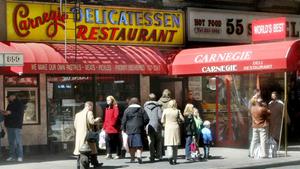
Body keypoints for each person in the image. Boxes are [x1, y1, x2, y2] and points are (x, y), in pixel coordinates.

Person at [73, 101, 102, 168]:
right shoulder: (89, 112)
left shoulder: (78, 114)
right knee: (92, 149)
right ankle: (95, 163)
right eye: (91, 106)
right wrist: (97, 119)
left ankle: (78, 165)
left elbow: (75, 125)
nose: (92, 108)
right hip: (87, 135)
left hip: (79, 135)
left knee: (80, 150)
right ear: (89, 106)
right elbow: (92, 122)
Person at [121, 97, 149, 164]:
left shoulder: (127, 110)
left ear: (130, 102)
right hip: (139, 129)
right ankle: (139, 156)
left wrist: (123, 129)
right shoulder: (141, 110)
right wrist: (143, 124)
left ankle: (132, 159)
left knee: (131, 145)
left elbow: (124, 121)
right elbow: (147, 119)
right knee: (139, 144)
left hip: (129, 129)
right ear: (138, 102)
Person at [2, 92, 25, 162]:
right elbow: (9, 113)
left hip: (16, 125)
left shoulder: (19, 103)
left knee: (18, 141)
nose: (8, 98)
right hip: (9, 125)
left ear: (13, 96)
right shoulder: (10, 104)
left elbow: (20, 114)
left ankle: (20, 156)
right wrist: (5, 113)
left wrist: (10, 113)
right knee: (11, 142)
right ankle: (12, 156)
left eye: (9, 97)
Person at [161, 100, 184, 165]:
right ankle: (175, 160)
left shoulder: (165, 110)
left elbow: (162, 120)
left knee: (169, 143)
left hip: (168, 127)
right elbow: (183, 119)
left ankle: (170, 156)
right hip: (175, 127)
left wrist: (165, 123)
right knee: (175, 145)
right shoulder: (177, 111)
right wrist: (178, 121)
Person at [144, 93, 163, 162]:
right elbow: (160, 117)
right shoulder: (158, 107)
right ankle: (158, 155)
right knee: (158, 141)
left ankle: (152, 156)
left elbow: (144, 118)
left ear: (148, 99)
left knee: (151, 142)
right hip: (157, 126)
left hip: (148, 126)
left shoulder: (145, 107)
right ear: (155, 99)